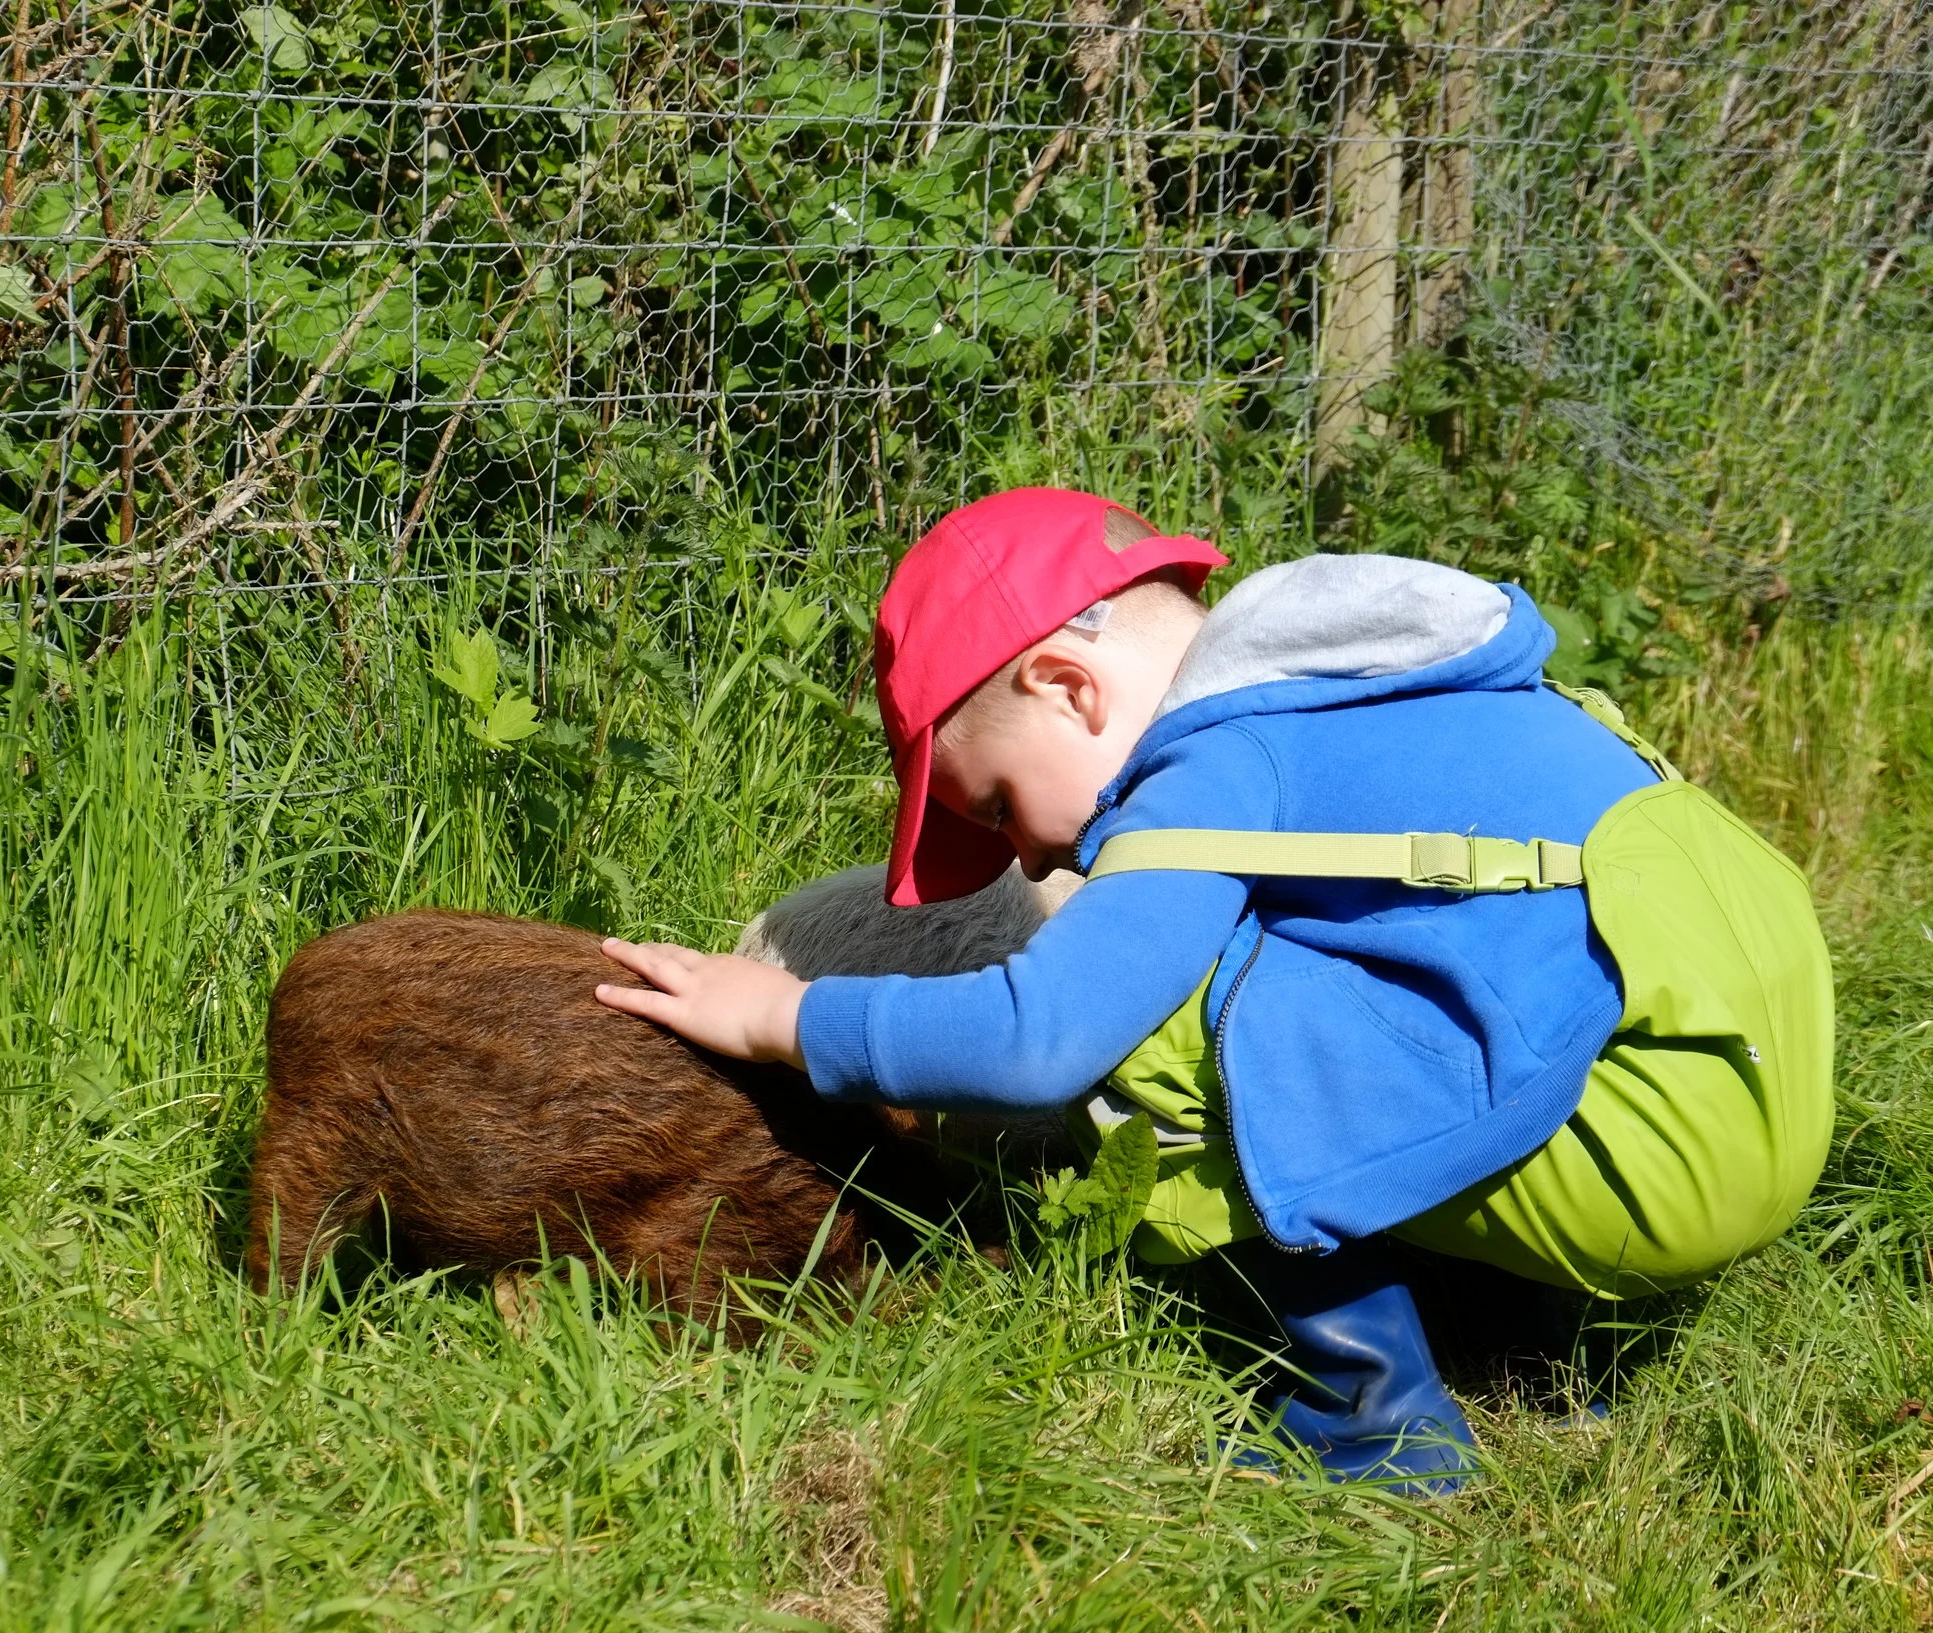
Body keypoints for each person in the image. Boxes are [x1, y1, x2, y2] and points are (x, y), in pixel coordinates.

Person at [596, 486, 1833, 1492]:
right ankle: (1528, 1335)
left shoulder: (1215, 758)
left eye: (995, 805)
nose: (1029, 858)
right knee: (1355, 977)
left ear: (1066, 687)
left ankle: (1377, 1423)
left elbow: (1044, 1042)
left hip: (1657, 1162)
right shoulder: (1375, 685)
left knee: (1168, 1013)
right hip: (1747, 1087)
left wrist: (782, 1015)